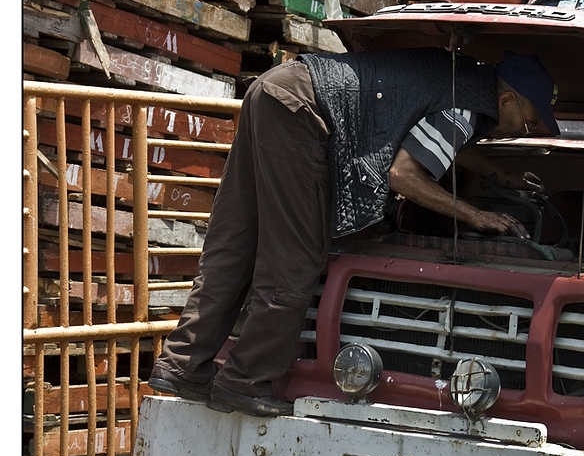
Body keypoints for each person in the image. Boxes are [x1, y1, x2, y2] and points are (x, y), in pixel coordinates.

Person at [148, 48, 560, 416]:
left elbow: (442, 142)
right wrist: (475, 215)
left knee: (235, 242)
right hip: (302, 113)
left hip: (275, 90)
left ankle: (180, 365)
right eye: (526, 122)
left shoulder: (463, 80)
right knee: (296, 258)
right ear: (506, 99)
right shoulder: (469, 104)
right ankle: (243, 382)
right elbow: (403, 175)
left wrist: (497, 175)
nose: (521, 130)